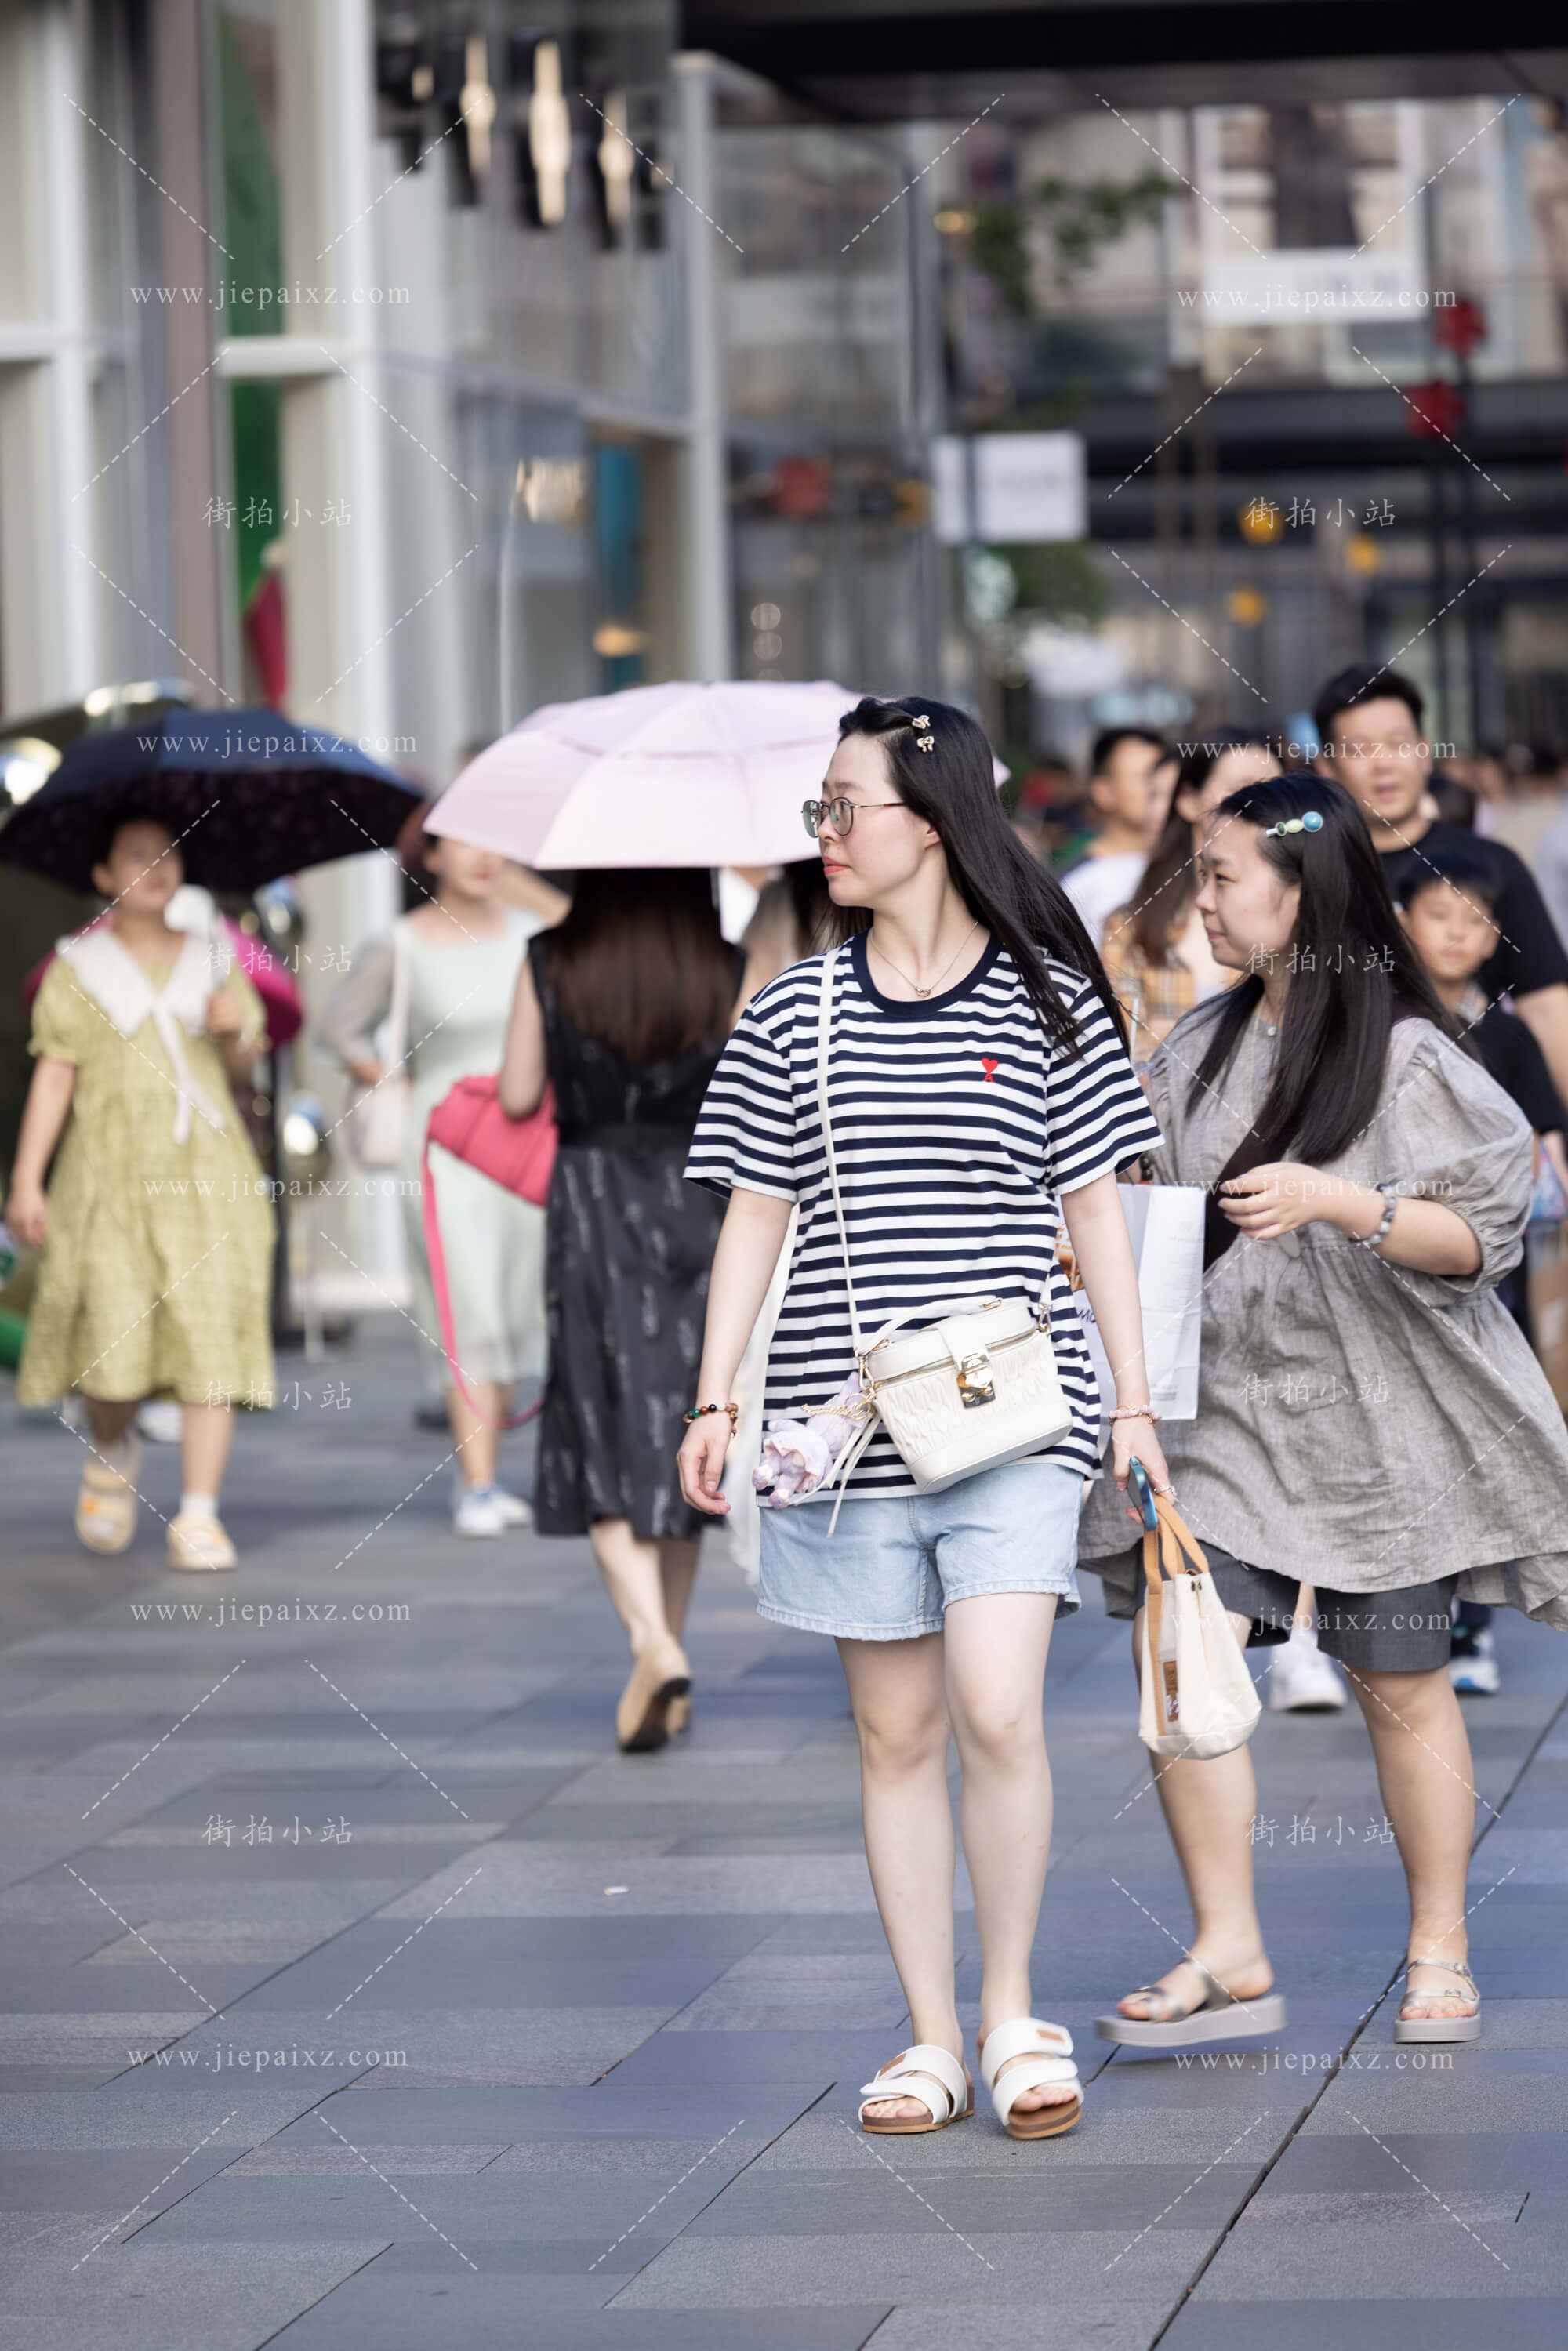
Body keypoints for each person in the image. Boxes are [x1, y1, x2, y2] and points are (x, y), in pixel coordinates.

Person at [678, 695, 1167, 2142]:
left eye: (848, 806)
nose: (825, 833)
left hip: (1016, 1411)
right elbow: (753, 1217)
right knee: (894, 1734)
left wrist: (1136, 1401)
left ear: (937, 820)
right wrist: (715, 1392)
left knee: (997, 1703)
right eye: (819, 808)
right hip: (846, 1430)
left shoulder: (1048, 999)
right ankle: (933, 2035)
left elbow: (1098, 1212)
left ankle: (1013, 2009)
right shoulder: (793, 1009)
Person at [1077, 771, 1568, 2052]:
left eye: (1222, 873)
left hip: (1381, 1420)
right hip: (1226, 1407)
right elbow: (1140, 1206)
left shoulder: (1412, 1053)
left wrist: (1343, 1202)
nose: (1201, 898)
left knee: (1399, 1678)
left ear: (1304, 894)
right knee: (1183, 1648)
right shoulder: (1195, 1043)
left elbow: (1484, 1239)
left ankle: (1440, 1943)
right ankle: (1228, 1942)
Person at [498, 866, 750, 1754]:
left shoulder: (550, 958)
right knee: (683, 1420)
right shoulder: (724, 963)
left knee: (596, 1417)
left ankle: (653, 1644)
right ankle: (668, 1651)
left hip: (592, 1202)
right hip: (698, 1203)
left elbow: (517, 1093)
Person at [5, 812, 274, 1570]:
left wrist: (233, 1031)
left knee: (209, 1333)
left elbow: (247, 1065)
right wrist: (27, 1178)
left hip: (207, 1175)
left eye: (167, 855)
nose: (155, 869)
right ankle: (113, 1441)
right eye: (134, 856)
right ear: (102, 875)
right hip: (108, 1176)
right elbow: (55, 1075)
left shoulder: (216, 954)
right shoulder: (77, 968)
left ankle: (199, 1513)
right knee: (113, 1336)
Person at [322, 822, 546, 1537]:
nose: (484, 854)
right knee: (467, 1304)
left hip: (524, 1137)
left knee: (514, 1305)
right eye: (465, 840)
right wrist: (387, 1075)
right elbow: (339, 1026)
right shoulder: (402, 942)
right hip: (442, 1144)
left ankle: (486, 1471)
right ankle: (476, 1483)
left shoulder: (533, 934)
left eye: (493, 838)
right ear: (434, 853)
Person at [1397, 849, 1568, 1697]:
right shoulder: (1389, 1026)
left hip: (1489, 1262)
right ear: (1403, 923)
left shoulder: (1505, 1033)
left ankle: (1469, 1625)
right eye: (1440, 916)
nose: (1458, 935)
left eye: (1475, 921)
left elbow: (1548, 1136)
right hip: (1397, 1257)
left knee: (1478, 1429)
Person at [1313, 665, 1568, 1108]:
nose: (1384, 764)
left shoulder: (1494, 865)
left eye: (1399, 744)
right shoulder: (1315, 873)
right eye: (1359, 749)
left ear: (1425, 752)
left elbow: (1547, 1006)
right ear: (1326, 767)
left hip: (1485, 1114)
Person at [1099, 728, 1280, 1054]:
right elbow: (1123, 1053)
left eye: (1275, 791)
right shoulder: (1130, 927)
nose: (1261, 809)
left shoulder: (1294, 921)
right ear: (1188, 799)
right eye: (1243, 790)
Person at [1058, 728, 1172, 949]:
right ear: (1103, 792)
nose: (1156, 787)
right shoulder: (1077, 885)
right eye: (1145, 777)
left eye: (1162, 775)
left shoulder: (1185, 863)